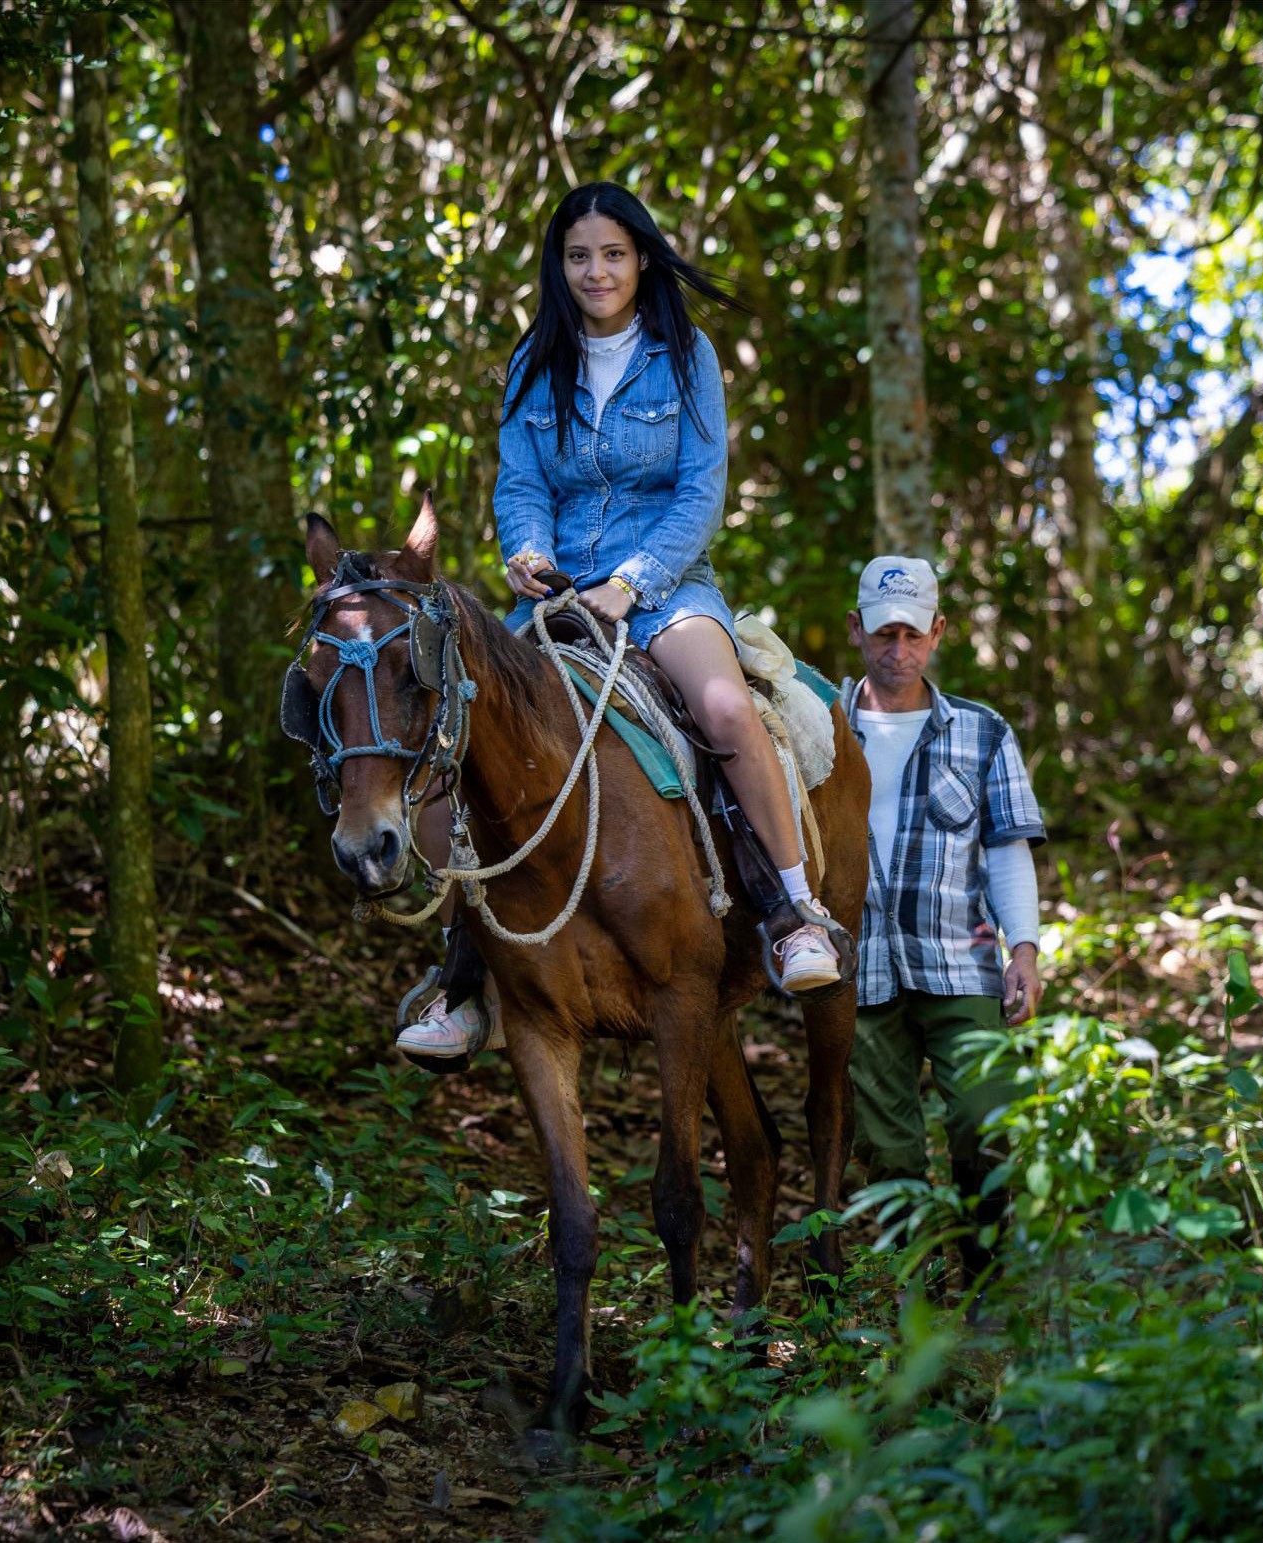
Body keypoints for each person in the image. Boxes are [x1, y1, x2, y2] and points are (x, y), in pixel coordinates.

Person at [394, 182, 852, 1071]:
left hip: (668, 587)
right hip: (554, 595)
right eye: (579, 256)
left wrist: (634, 583)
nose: (596, 271)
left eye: (612, 253)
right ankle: (461, 978)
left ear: (642, 259)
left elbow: (700, 491)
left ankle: (796, 910)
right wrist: (526, 551)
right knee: (460, 729)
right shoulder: (536, 360)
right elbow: (520, 482)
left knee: (722, 709)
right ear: (558, 267)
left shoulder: (687, 356)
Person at [843, 555, 1047, 1284]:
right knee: (889, 1150)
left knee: (985, 1123)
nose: (898, 651)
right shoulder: (818, 728)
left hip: (959, 963)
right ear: (856, 631)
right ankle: (916, 1298)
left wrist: (1023, 950)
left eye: (913, 635)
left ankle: (987, 1276)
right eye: (883, 633)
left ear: (938, 633)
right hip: (860, 970)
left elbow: (1007, 850)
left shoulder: (981, 732)